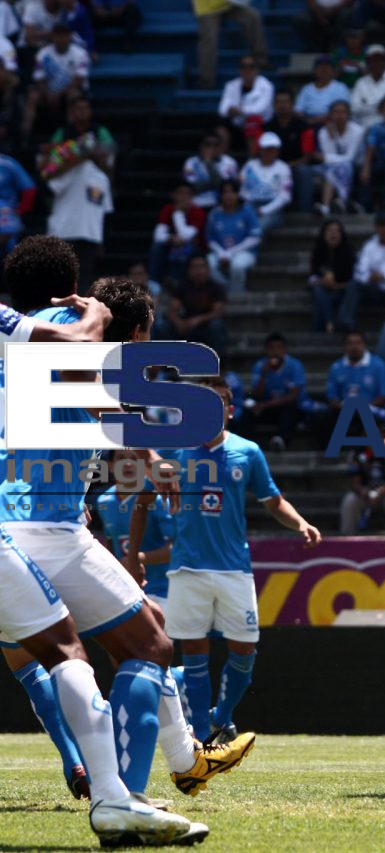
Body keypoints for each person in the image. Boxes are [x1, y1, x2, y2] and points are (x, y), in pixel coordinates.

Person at [0, 280, 207, 847]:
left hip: (28, 519)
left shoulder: (25, 330)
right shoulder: (64, 343)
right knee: (140, 645)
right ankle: (124, 796)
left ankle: (132, 789)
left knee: (118, 641)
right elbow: (78, 379)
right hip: (39, 526)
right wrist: (147, 451)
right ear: (138, 334)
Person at [129, 375, 320, 744]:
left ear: (230, 411)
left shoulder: (248, 452)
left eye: (219, 402)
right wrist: (131, 556)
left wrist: (301, 523)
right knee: (195, 650)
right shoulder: (173, 452)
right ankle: (202, 734)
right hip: (187, 568)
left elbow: (273, 500)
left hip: (235, 568)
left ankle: (222, 715)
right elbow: (143, 502)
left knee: (245, 649)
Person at [96, 452, 175, 611]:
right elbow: (111, 543)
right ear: (110, 465)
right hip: (125, 592)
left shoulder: (158, 498)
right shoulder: (103, 501)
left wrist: (137, 559)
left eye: (134, 459)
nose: (128, 464)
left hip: (163, 591)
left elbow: (176, 549)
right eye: (121, 458)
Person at [44, 139, 113, 294]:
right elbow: (50, 186)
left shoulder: (102, 178)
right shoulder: (76, 171)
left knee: (73, 282)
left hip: (82, 236)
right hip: (69, 234)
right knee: (71, 282)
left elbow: (104, 212)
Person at [246, 332, 308, 451]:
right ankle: (248, 445)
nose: (275, 352)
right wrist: (264, 375)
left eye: (279, 348)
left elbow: (293, 395)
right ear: (266, 350)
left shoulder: (295, 365)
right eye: (271, 348)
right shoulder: (260, 366)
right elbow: (256, 394)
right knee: (248, 406)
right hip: (268, 408)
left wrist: (264, 405)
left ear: (285, 350)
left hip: (289, 410)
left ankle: (281, 440)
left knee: (290, 406)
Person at [25, 21, 88, 136]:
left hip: (69, 91)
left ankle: (70, 135)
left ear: (69, 36)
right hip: (48, 92)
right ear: (53, 36)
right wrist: (48, 93)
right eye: (58, 34)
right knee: (32, 96)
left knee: (73, 95)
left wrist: (59, 94)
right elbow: (39, 79)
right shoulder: (43, 53)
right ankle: (25, 136)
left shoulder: (81, 53)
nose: (61, 38)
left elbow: (79, 80)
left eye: (64, 34)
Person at [165, 255, 229, 358]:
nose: (198, 271)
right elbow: (171, 311)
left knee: (217, 325)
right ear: (189, 270)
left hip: (207, 326)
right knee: (163, 324)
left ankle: (217, 364)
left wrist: (199, 319)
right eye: (194, 267)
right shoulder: (182, 287)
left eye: (202, 266)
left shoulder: (216, 287)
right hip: (188, 326)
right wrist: (178, 322)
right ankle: (169, 365)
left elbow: (218, 313)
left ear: (208, 269)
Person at [194, 0, 268, 89]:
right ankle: (206, 80)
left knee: (253, 17)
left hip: (229, 4)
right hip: (207, 8)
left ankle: (260, 59)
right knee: (209, 40)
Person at [326, 329, 385, 428]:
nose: (354, 347)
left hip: (371, 410)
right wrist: (341, 407)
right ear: (344, 346)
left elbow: (384, 396)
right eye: (350, 343)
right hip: (344, 411)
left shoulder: (378, 365)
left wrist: (361, 408)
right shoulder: (336, 367)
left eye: (358, 343)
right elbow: (331, 397)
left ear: (364, 345)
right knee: (325, 419)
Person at [205, 179, 262, 294]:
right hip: (220, 251)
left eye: (232, 192)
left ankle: (236, 296)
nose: (229, 196)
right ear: (220, 195)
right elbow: (210, 238)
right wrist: (221, 252)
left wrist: (232, 252)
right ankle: (227, 291)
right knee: (207, 265)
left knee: (237, 266)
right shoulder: (214, 214)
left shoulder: (247, 211)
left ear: (238, 194)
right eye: (225, 192)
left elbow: (255, 237)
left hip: (245, 251)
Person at [264, 90, 316, 212]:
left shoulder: (303, 126)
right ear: (274, 105)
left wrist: (291, 165)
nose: (282, 105)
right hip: (273, 166)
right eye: (278, 102)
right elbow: (261, 153)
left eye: (285, 102)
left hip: (295, 165)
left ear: (292, 105)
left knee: (304, 172)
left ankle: (304, 214)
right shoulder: (267, 127)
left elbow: (308, 156)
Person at [341, 446, 385, 533]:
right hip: (365, 495)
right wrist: (362, 490)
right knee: (349, 500)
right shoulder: (357, 453)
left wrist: (380, 492)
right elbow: (355, 482)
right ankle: (347, 539)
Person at [148, 182, 206, 287]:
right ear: (173, 195)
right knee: (156, 247)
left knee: (184, 249)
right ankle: (154, 283)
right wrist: (171, 238)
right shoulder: (167, 209)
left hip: (194, 247)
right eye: (180, 193)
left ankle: (177, 283)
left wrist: (178, 214)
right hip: (172, 244)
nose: (183, 197)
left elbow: (186, 236)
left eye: (187, 194)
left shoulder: (198, 212)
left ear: (192, 197)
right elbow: (158, 235)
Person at [314, 99, 364, 216]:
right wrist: (332, 139)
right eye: (336, 112)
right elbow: (328, 158)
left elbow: (350, 157)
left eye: (343, 112)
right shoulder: (324, 131)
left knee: (344, 166)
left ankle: (327, 206)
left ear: (349, 115)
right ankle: (340, 202)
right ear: (331, 115)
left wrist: (327, 157)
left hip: (357, 165)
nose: (340, 115)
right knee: (336, 168)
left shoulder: (358, 131)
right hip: (335, 167)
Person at [217, 56, 274, 154]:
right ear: (239, 69)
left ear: (257, 69)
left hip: (261, 125)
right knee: (220, 130)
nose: (247, 70)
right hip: (237, 125)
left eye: (251, 66)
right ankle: (222, 163)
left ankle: (253, 160)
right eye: (243, 66)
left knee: (252, 123)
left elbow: (260, 109)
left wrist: (239, 111)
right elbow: (222, 109)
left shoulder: (266, 85)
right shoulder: (231, 85)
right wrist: (229, 111)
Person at [309, 218, 358, 333]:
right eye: (330, 231)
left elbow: (355, 280)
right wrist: (322, 281)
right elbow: (312, 276)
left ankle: (327, 324)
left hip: (344, 291)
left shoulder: (349, 252)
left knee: (323, 301)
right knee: (318, 292)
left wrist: (337, 286)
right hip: (325, 290)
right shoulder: (318, 251)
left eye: (337, 231)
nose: (333, 235)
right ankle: (330, 321)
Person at [239, 132, 293, 231]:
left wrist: (264, 210)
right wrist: (250, 208)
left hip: (273, 209)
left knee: (256, 227)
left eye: (273, 149)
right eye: (266, 148)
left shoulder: (283, 168)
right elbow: (242, 190)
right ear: (261, 150)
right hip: (250, 205)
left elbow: (285, 197)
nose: (269, 152)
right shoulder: (250, 166)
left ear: (277, 151)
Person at [350, 44, 385, 130]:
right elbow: (354, 109)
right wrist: (379, 107)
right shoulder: (360, 83)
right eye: (374, 60)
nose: (377, 63)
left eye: (380, 60)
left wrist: (367, 106)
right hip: (365, 128)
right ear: (368, 62)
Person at [184, 133, 239, 210]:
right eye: (208, 144)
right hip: (196, 206)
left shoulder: (229, 162)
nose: (211, 147)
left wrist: (208, 163)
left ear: (220, 147)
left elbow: (223, 188)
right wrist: (214, 182)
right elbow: (191, 188)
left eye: (216, 145)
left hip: (220, 206)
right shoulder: (191, 162)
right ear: (201, 146)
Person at [298, 56, 352, 125]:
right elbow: (298, 110)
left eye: (327, 68)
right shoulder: (306, 89)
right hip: (309, 123)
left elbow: (345, 111)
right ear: (314, 70)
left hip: (333, 123)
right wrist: (308, 120)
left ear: (332, 71)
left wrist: (326, 119)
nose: (324, 70)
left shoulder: (340, 87)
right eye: (321, 67)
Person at [0, 153, 35, 261]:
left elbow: (29, 189)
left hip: (7, 215)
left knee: (11, 256)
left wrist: (21, 210)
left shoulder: (7, 163)